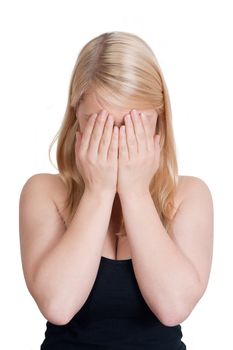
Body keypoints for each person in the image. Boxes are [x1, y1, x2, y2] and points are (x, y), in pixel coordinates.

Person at [19, 31, 214, 349]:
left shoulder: (189, 196)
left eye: (132, 126)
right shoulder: (44, 192)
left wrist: (135, 193)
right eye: (101, 124)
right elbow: (58, 306)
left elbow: (173, 308)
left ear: (159, 122)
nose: (117, 140)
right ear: (77, 120)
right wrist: (99, 191)